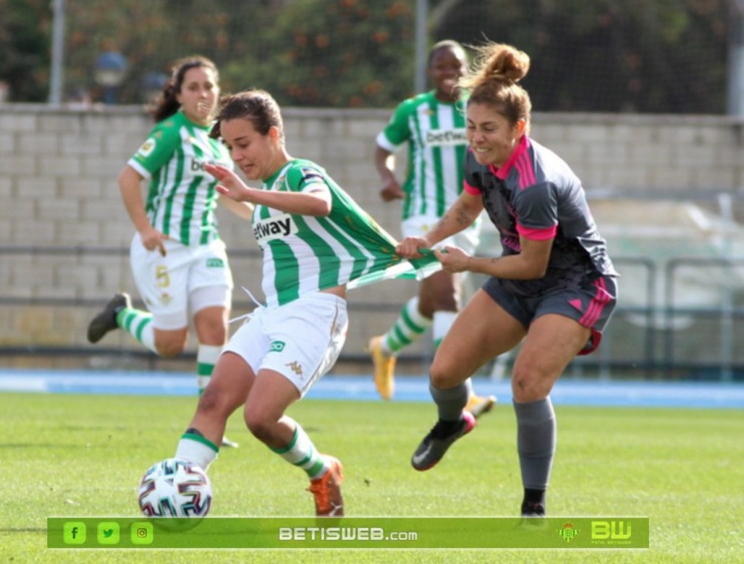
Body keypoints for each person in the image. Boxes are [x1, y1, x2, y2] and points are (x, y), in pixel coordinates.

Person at [171, 89, 436, 518]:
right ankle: (177, 489)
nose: (238, 155)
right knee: (212, 400)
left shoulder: (299, 173)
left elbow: (321, 202)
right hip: (270, 314)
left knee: (259, 417)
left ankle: (321, 471)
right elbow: (260, 209)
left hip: (314, 313)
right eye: (230, 147)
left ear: (273, 134)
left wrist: (247, 194)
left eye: (244, 144)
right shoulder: (265, 194)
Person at [397, 43, 618, 518]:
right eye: (471, 127)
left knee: (527, 383)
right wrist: (425, 240)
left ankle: (533, 505)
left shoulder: (535, 184)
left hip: (575, 282)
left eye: (488, 129)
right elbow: (465, 208)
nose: (476, 138)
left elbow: (535, 266)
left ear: (520, 128)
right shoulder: (478, 154)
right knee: (443, 372)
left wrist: (466, 263)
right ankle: (452, 423)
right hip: (521, 270)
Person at [87, 55, 252, 448]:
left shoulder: (216, 139)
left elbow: (228, 196)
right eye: (193, 87)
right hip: (165, 248)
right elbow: (128, 178)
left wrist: (263, 218)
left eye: (209, 86)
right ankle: (121, 314)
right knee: (170, 344)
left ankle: (208, 417)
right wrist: (144, 229)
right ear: (177, 94)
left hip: (207, 246)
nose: (203, 94)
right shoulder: (170, 133)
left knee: (215, 326)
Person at [367, 39, 496, 419]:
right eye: (442, 67)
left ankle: (385, 348)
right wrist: (388, 177)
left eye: (457, 67)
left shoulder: (476, 107)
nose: (450, 74)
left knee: (431, 303)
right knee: (447, 296)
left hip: (467, 213)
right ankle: (457, 388)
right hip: (422, 216)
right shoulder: (413, 111)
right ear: (430, 71)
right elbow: (382, 148)